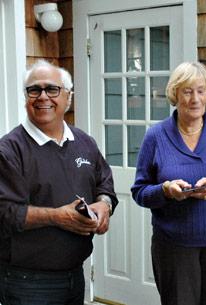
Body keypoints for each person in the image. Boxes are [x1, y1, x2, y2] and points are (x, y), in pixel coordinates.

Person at [131, 61, 206, 305]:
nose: (195, 99)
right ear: (175, 94)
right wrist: (165, 191)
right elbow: (140, 191)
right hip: (174, 246)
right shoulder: (156, 136)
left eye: (201, 90)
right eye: (187, 91)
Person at [0, 60, 118, 305]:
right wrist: (57, 216)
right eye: (34, 90)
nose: (43, 97)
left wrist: (104, 205)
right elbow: (6, 213)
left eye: (52, 89)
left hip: (75, 276)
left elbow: (105, 186)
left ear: (68, 97)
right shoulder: (9, 150)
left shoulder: (84, 142)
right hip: (27, 282)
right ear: (26, 98)